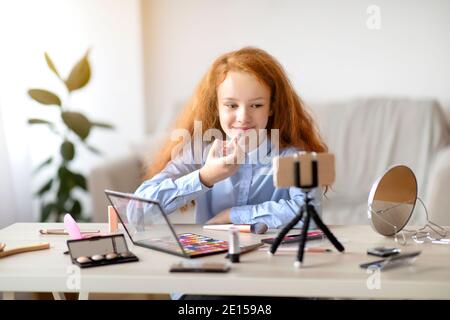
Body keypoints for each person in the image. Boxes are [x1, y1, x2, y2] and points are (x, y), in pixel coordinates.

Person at [135, 46, 327, 230]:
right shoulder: (199, 151)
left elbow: (310, 215)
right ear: (216, 107)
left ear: (271, 107)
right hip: (213, 259)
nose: (243, 117)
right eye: (231, 105)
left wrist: (233, 216)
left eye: (256, 105)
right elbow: (137, 211)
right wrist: (205, 177)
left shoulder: (293, 155)